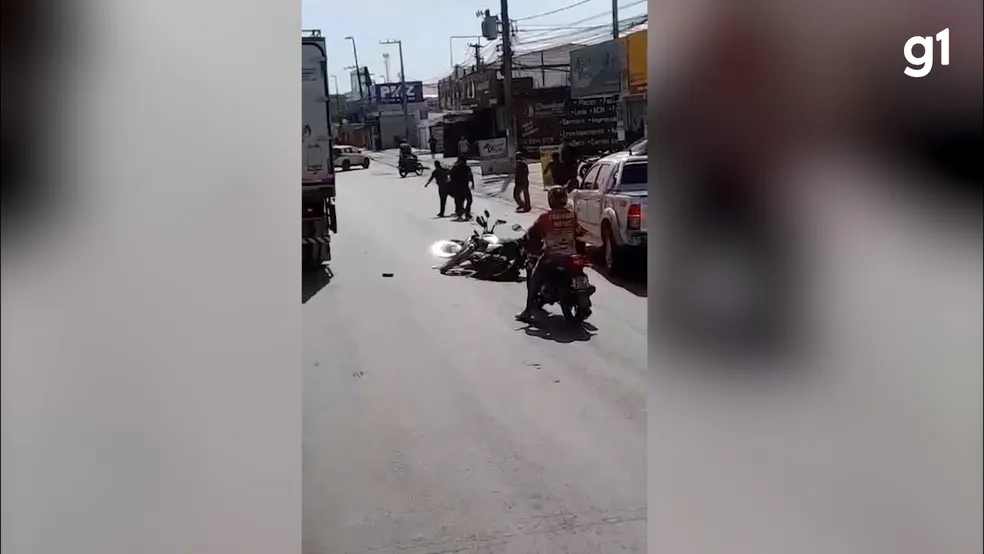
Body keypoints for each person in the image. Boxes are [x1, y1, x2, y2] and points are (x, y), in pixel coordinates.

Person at [516, 186, 582, 323]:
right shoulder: (572, 215)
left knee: (534, 279)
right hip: (571, 256)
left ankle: (528, 311)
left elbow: (532, 233)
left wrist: (526, 240)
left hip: (552, 257)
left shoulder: (545, 217)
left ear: (551, 200)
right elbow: (578, 232)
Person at [448, 155, 475, 219]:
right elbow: (470, 175)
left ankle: (461, 213)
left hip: (459, 187)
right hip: (464, 186)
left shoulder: (456, 168)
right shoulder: (465, 167)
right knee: (468, 200)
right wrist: (472, 183)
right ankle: (466, 214)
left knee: (460, 200)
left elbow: (451, 176)